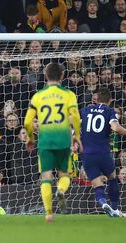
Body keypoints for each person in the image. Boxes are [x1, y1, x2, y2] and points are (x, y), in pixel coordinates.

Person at [24, 62, 82, 222]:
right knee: (64, 174)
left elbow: (28, 122)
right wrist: (76, 135)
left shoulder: (38, 96)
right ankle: (61, 190)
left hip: (45, 141)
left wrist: (30, 137)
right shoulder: (69, 94)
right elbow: (76, 117)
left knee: (46, 177)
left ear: (45, 76)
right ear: (62, 76)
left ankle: (49, 213)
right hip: (63, 139)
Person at [80, 87, 126, 218]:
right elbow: (116, 127)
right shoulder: (109, 111)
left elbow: (74, 127)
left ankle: (102, 203)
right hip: (103, 153)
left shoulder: (85, 110)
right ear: (110, 100)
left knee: (97, 184)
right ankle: (115, 208)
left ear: (96, 99)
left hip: (87, 154)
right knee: (112, 178)